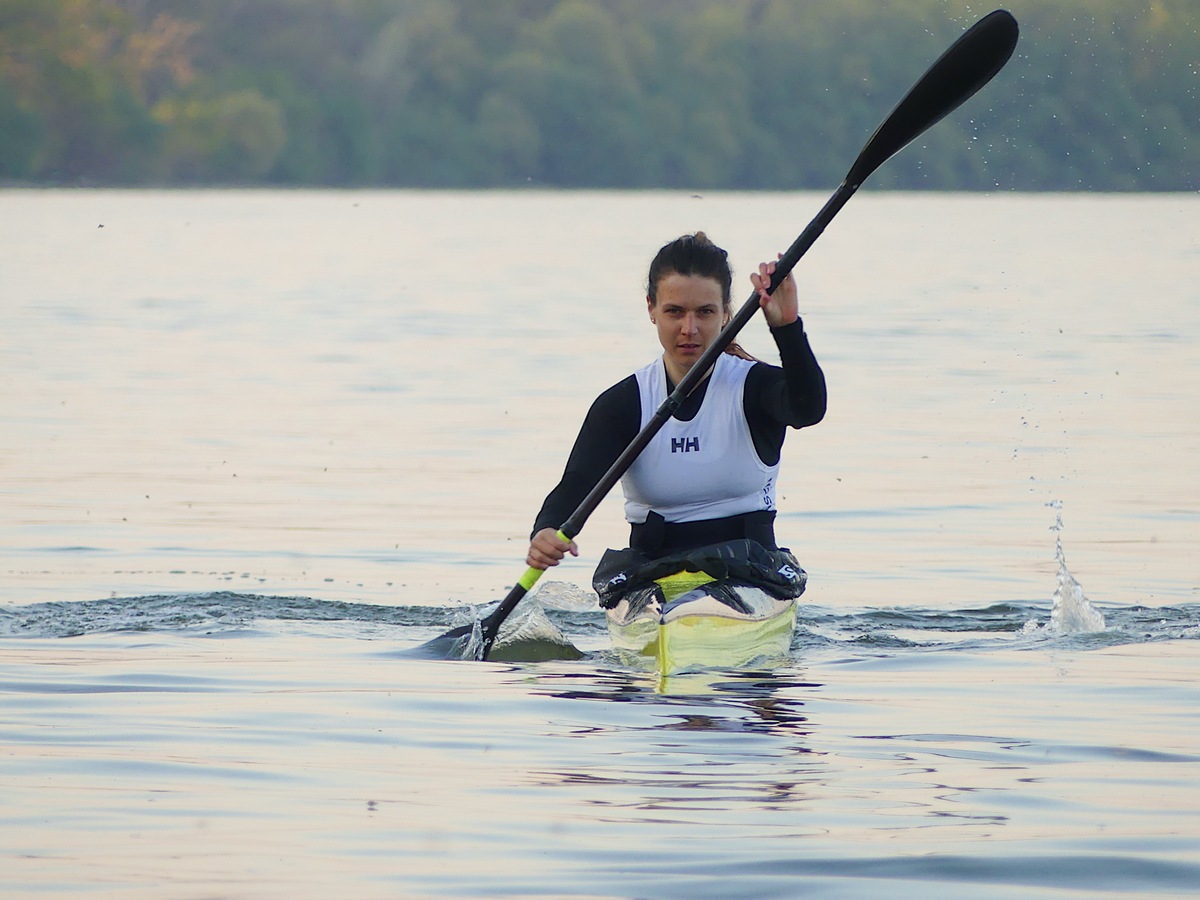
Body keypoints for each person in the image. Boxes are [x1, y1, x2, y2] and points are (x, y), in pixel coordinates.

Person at [525, 231, 826, 606]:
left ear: (726, 312)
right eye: (674, 312)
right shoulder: (624, 404)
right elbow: (576, 484)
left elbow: (808, 409)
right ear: (651, 308)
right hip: (653, 577)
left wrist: (786, 329)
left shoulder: (754, 389)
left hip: (750, 575)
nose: (689, 329)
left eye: (705, 312)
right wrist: (545, 532)